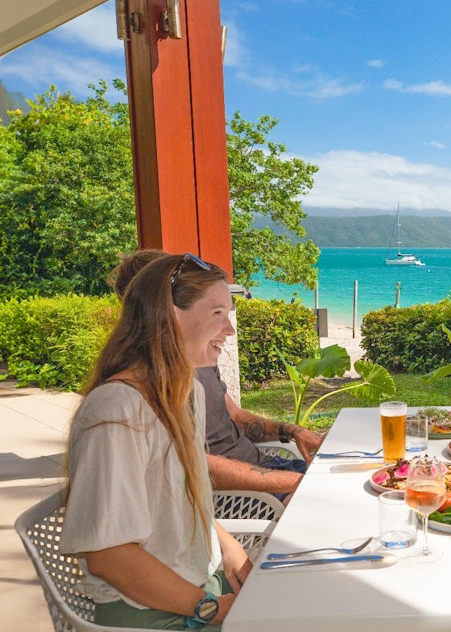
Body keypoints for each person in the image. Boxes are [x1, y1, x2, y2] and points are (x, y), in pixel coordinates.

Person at [61, 252, 251, 629]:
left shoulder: (182, 393)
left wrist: (223, 544)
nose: (229, 330)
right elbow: (109, 555)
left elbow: (174, 501)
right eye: (217, 314)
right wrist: (208, 608)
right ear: (166, 316)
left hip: (198, 589)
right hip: (155, 613)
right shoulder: (116, 411)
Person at [109, 249, 323, 498]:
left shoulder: (198, 358)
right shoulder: (140, 384)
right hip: (239, 496)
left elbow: (232, 414)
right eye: (215, 312)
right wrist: (292, 483)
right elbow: (193, 466)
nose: (229, 329)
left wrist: (292, 431)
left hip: (266, 470)